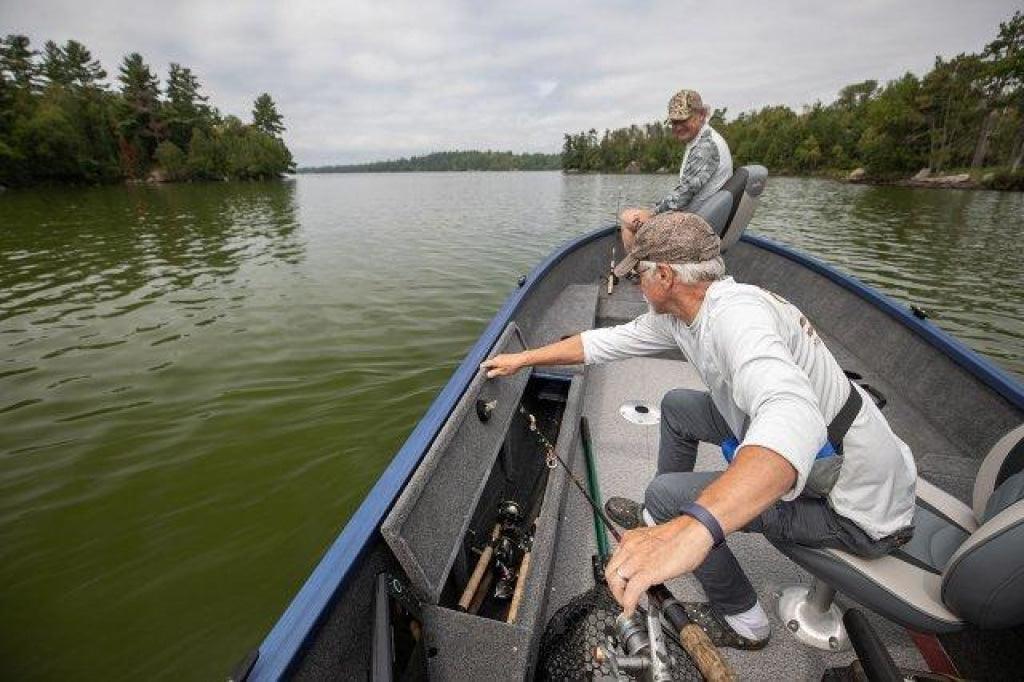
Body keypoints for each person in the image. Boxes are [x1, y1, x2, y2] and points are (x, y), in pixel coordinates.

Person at [481, 212, 916, 649]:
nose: (634, 283)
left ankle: (744, 621)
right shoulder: (687, 310)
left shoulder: (737, 319)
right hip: (847, 456)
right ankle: (661, 512)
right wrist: (526, 358)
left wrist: (696, 528)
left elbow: (793, 415)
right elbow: (601, 343)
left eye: (639, 274)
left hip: (858, 509)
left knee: (671, 498)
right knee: (677, 407)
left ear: (666, 276)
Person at [619, 89, 733, 251]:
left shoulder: (706, 147)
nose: (678, 127)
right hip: (698, 220)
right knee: (637, 215)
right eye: (674, 122)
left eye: (683, 120)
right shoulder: (703, 138)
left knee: (627, 219)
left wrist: (652, 213)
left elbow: (683, 195)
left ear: (701, 114)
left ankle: (638, 273)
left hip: (694, 229)